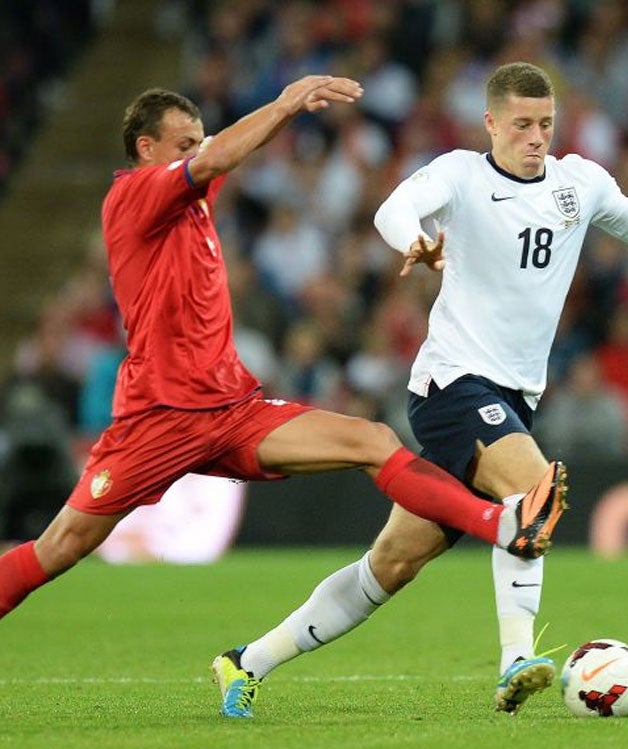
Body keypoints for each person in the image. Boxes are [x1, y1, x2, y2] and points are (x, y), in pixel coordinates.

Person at [222, 61, 628, 717]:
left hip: (513, 397)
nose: (536, 137)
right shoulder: (462, 175)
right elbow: (396, 206)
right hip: (453, 384)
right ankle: (514, 661)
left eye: (546, 124)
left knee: (391, 565)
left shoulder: (579, 183)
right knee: (535, 488)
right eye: (522, 124)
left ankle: (246, 661)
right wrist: (414, 239)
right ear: (492, 123)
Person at [0, 76, 569, 703]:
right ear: (144, 149)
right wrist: (287, 101)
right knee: (60, 547)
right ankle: (505, 523)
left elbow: (224, 150)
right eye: (182, 143)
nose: (197, 150)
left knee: (373, 440)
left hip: (231, 410)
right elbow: (217, 155)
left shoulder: (192, 198)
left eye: (198, 139)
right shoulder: (135, 197)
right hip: (156, 421)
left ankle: (501, 523)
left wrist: (297, 124)